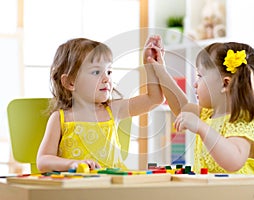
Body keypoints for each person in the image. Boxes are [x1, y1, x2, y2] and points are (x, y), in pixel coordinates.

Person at [146, 36, 254, 199]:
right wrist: (160, 70)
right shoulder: (207, 114)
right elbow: (181, 107)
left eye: (200, 76)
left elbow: (233, 160)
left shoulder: (241, 120)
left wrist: (202, 128)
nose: (195, 84)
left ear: (225, 84)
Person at [37, 37, 164, 172]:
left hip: (112, 187)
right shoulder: (60, 118)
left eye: (109, 71)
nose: (106, 79)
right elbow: (43, 160)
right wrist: (71, 163)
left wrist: (150, 65)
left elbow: (154, 99)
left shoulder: (113, 110)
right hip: (76, 189)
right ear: (70, 82)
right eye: (96, 72)